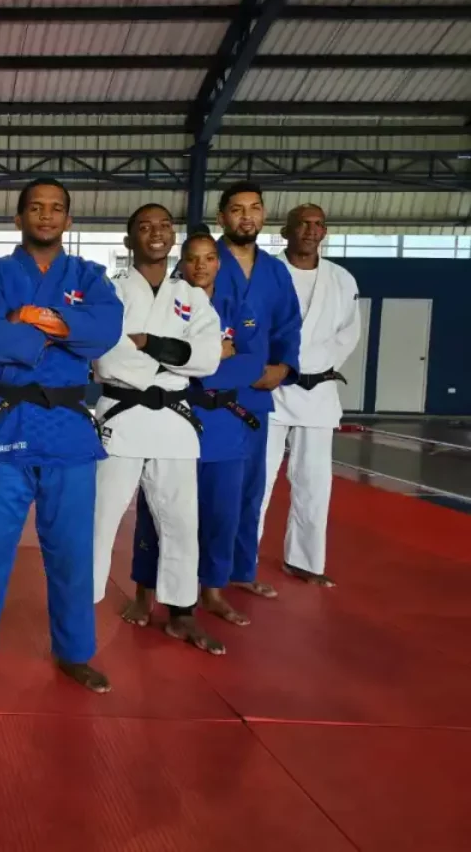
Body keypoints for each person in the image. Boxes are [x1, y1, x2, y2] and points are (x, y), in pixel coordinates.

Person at [0, 178, 124, 694]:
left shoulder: (89, 275)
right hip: (8, 421)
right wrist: (68, 331)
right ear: (18, 217)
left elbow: (106, 330)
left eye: (56, 208)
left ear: (68, 219)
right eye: (36, 208)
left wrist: (29, 318)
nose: (46, 216)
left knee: (72, 551)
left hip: (68, 429)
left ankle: (75, 651)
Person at [93, 205, 223, 654]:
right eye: (145, 227)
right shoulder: (110, 292)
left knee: (182, 522)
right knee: (100, 518)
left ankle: (181, 612)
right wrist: (174, 357)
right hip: (121, 415)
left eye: (165, 226)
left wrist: (148, 343)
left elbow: (208, 357)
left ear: (173, 238)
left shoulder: (192, 296)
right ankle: (81, 610)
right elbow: (108, 356)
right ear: (129, 240)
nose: (157, 233)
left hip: (174, 421)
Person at [131, 227, 268, 628]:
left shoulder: (237, 307)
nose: (201, 266)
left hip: (223, 425)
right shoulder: (165, 303)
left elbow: (252, 362)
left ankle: (212, 590)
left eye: (209, 258)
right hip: (171, 416)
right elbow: (149, 357)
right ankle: (144, 591)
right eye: (192, 258)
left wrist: (199, 365)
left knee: (222, 513)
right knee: (156, 510)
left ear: (219, 263)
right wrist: (209, 356)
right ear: (182, 262)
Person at [257, 204, 360, 587]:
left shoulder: (341, 279)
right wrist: (273, 367)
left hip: (318, 390)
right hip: (270, 389)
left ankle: (305, 561)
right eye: (303, 224)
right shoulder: (266, 272)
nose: (311, 230)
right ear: (286, 231)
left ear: (325, 231)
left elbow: (349, 333)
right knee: (258, 479)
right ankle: (241, 560)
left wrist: (310, 367)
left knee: (314, 482)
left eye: (318, 224)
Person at [214, 182, 302, 600]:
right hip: (211, 393)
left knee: (251, 487)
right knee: (211, 489)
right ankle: (203, 572)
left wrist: (283, 367)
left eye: (254, 208)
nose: (246, 216)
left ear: (263, 215)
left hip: (256, 395)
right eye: (237, 209)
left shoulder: (275, 271)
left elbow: (288, 325)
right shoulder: (203, 260)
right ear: (222, 217)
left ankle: (240, 569)